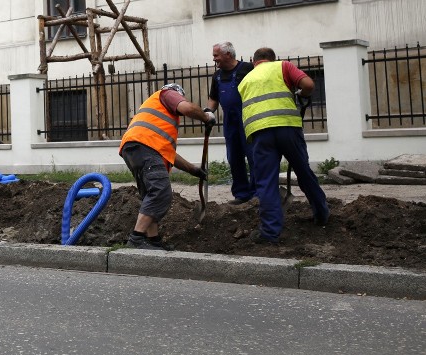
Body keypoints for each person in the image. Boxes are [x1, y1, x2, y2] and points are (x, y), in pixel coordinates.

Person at [238, 47, 329, 244]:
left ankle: (270, 233)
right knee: (304, 172)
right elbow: (309, 85)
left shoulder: (245, 80)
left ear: (255, 62)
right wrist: (300, 94)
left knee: (266, 182)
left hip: (260, 133)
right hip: (287, 128)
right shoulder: (283, 66)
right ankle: (321, 213)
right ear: (272, 59)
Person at [119, 83, 216, 250]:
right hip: (146, 147)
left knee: (150, 195)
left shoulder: (158, 122)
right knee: (160, 192)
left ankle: (153, 241)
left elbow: (170, 155)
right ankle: (136, 239)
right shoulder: (167, 94)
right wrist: (206, 117)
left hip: (136, 149)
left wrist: (195, 171)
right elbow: (187, 108)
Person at [207, 41, 255, 204]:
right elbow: (214, 99)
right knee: (234, 158)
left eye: (216, 55)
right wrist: (208, 113)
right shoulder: (217, 76)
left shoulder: (246, 68)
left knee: (254, 155)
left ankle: (257, 193)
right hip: (230, 121)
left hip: (248, 119)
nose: (214, 59)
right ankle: (241, 194)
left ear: (228, 54)